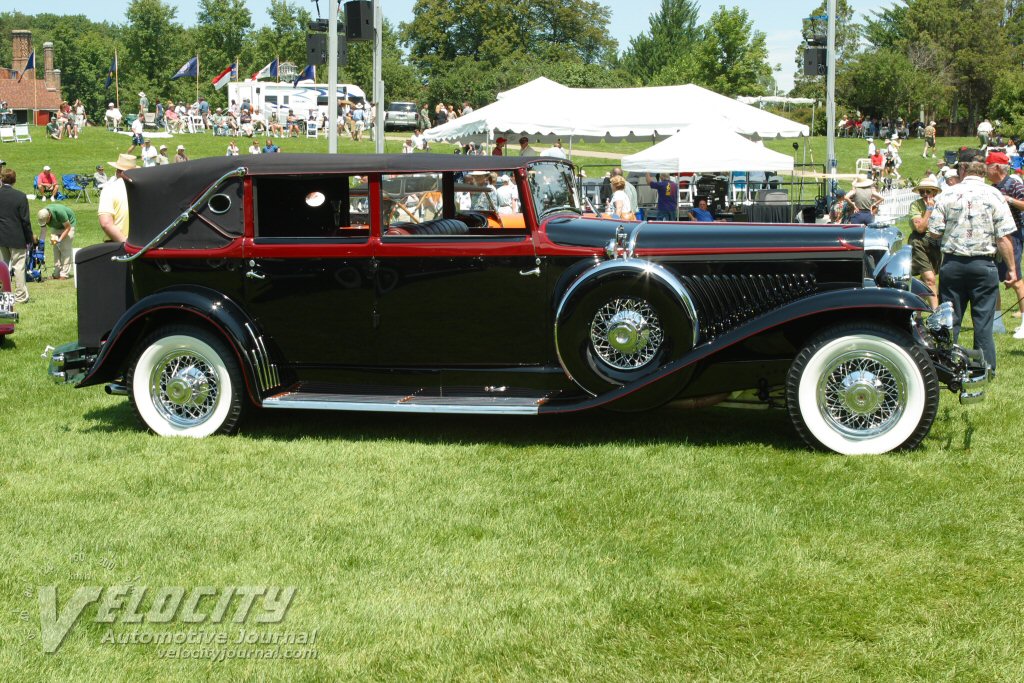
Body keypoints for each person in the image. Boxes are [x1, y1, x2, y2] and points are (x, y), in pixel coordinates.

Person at [929, 161, 1017, 374]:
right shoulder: (995, 195)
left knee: (951, 319)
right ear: (984, 174)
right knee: (983, 321)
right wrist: (1012, 268)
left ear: (963, 172)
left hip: (953, 263)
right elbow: (1004, 237)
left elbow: (934, 232)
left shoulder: (947, 194)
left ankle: (946, 366)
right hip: (983, 264)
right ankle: (984, 368)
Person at [985, 150, 1024, 333]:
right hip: (993, 238)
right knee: (993, 279)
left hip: (1012, 237)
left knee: (1015, 279)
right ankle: (997, 322)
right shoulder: (991, 187)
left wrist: (1008, 199)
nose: (985, 170)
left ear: (998, 167)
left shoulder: (1013, 184)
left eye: (988, 166)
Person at [907, 177, 943, 309]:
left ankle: (916, 313)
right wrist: (928, 210)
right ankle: (936, 313)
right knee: (930, 279)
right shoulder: (916, 205)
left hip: (936, 244)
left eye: (927, 191)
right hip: (919, 243)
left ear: (934, 192)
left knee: (924, 281)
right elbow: (920, 228)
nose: (925, 195)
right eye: (922, 192)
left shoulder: (942, 204)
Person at [0, 168, 33, 303]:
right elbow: (25, 221)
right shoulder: (20, 196)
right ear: (14, 180)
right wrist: (29, 239)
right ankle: (20, 296)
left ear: (1, 179)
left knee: (1, 266)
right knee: (18, 267)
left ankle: (2, 295)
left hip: (1, 236)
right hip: (17, 237)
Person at [98, 154, 136, 243]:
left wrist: (126, 244)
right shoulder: (145, 188)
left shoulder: (109, 189)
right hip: (144, 245)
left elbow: (106, 223)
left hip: (119, 244)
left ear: (117, 171)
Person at [37, 204, 76, 279]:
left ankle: (64, 274)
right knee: (56, 250)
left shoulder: (59, 212)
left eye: (46, 221)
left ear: (49, 216)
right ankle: (56, 273)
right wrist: (41, 245)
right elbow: (43, 231)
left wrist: (59, 240)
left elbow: (68, 228)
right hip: (56, 227)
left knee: (65, 249)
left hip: (69, 225)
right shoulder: (42, 215)